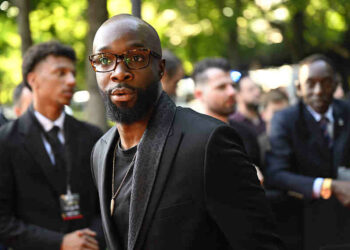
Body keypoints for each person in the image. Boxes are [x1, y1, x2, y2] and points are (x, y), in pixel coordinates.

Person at [89, 14, 282, 250]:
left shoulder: (208, 141)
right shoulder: (100, 151)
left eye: (136, 57)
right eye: (105, 59)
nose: (119, 72)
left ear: (160, 69)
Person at [0, 41, 104, 250]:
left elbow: (106, 206)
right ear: (33, 79)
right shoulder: (5, 141)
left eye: (73, 73)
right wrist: (60, 243)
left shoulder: (93, 136)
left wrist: (90, 240)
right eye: (61, 73)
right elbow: (3, 222)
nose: (72, 81)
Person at [266, 54, 350, 250]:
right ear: (298, 88)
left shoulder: (347, 111)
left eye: (326, 83)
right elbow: (276, 173)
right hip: (308, 223)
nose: (318, 91)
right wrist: (329, 186)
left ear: (336, 84)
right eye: (310, 84)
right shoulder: (285, 120)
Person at [192, 57, 261, 167]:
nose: (232, 92)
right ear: (199, 95)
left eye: (232, 85)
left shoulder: (246, 133)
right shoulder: (191, 140)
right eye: (221, 87)